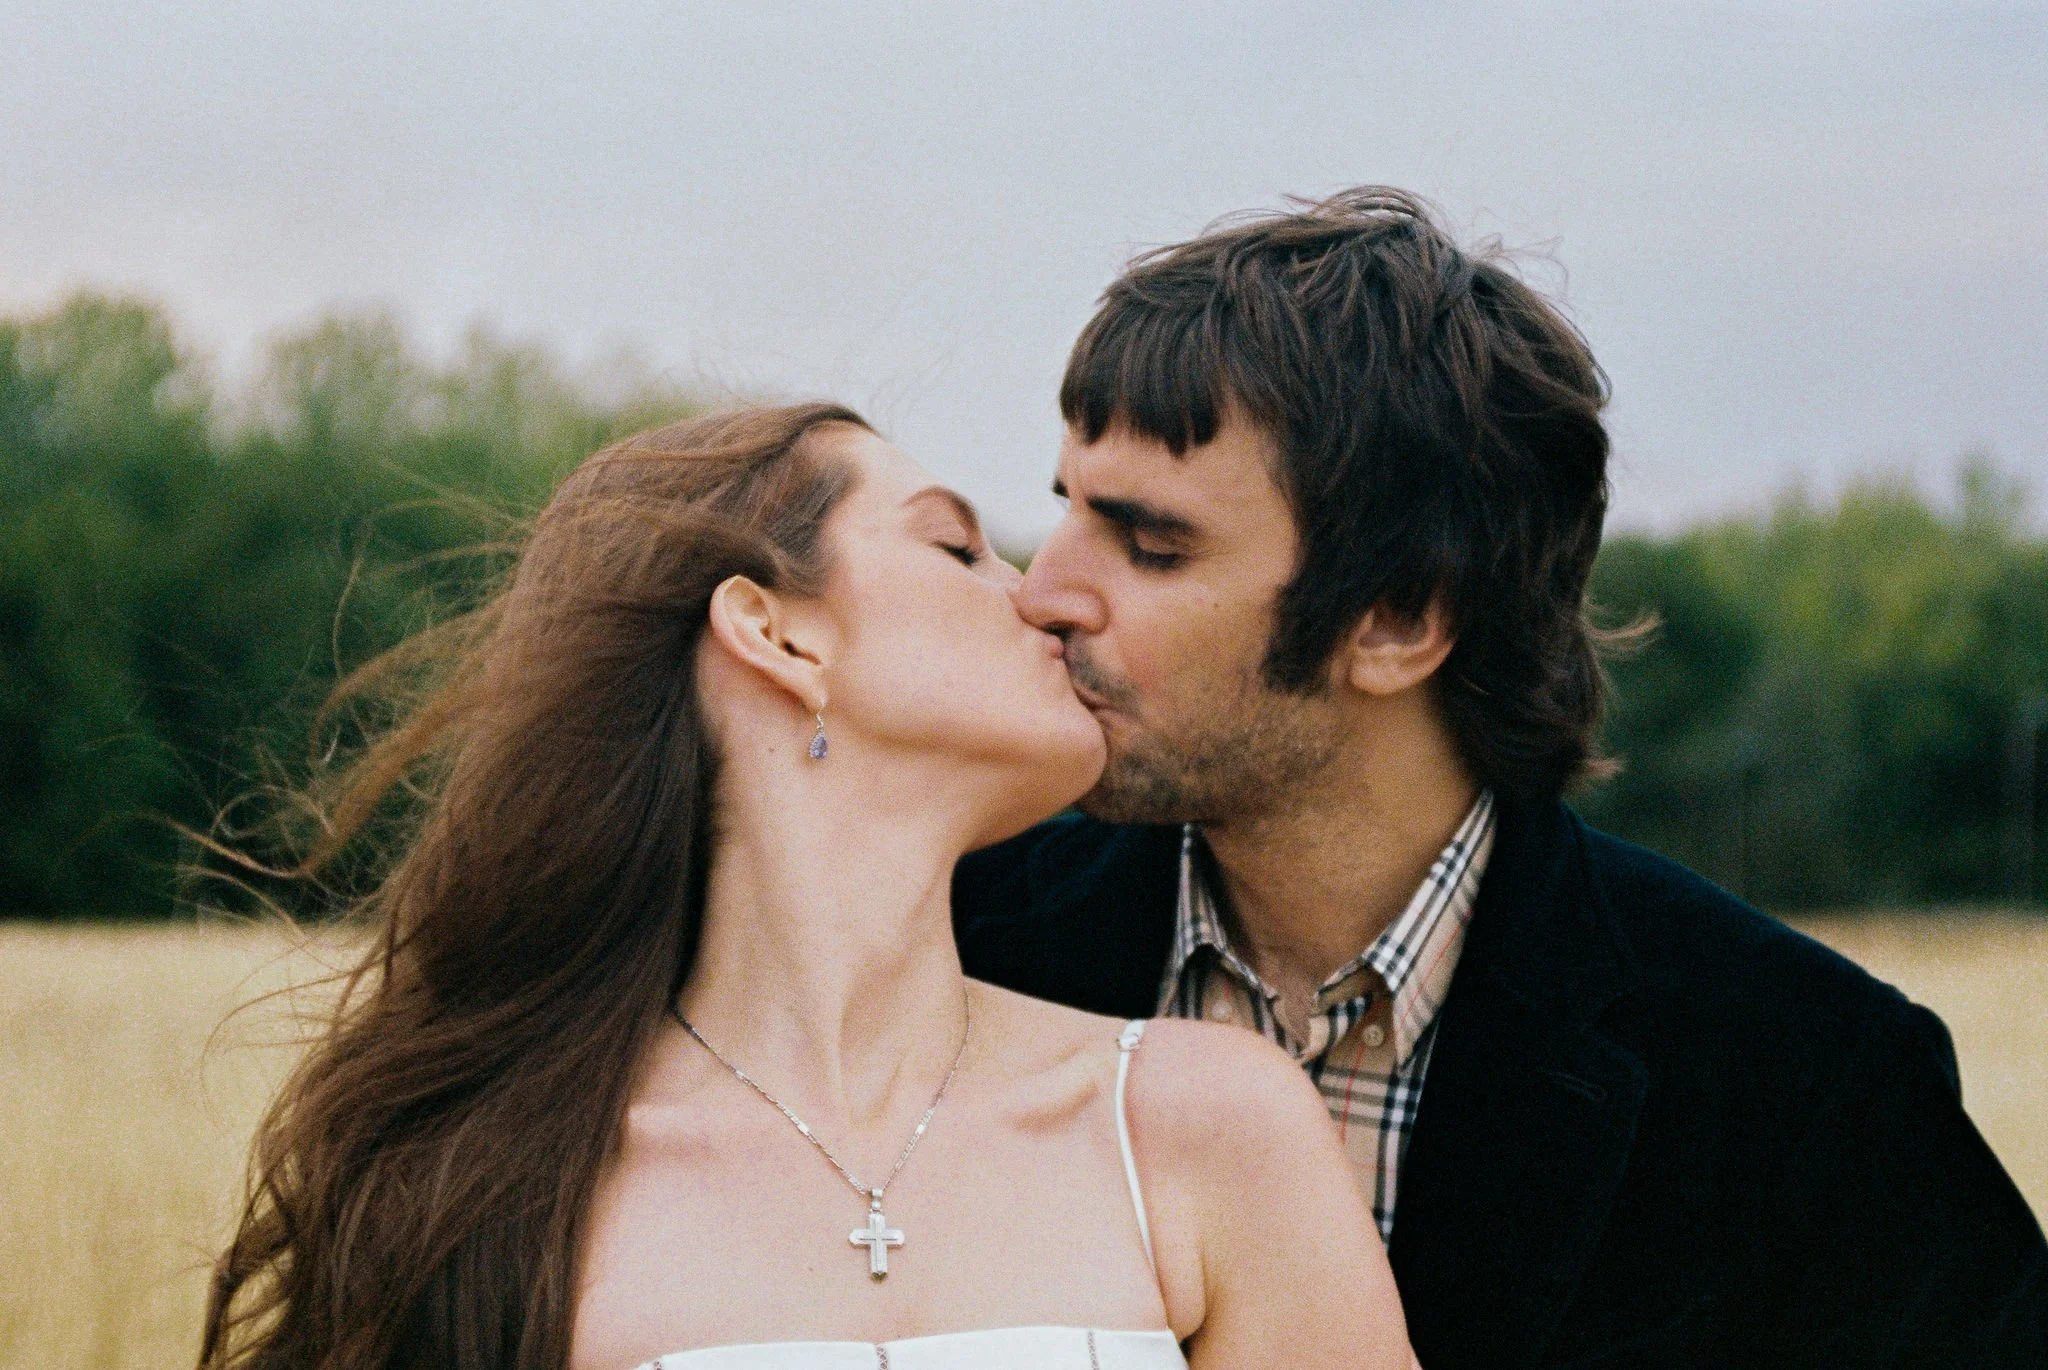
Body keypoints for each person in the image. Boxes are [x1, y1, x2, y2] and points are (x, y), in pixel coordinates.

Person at [954, 187, 2048, 1369]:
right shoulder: (955, 950)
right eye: (1065, 507)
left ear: (1398, 618)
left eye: (1149, 544)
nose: (1039, 589)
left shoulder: (1804, 1085)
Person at [199, 404, 1416, 1370]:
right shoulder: (490, 1190)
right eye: (955, 545)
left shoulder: (1203, 1126)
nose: (1040, 594)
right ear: (775, 634)